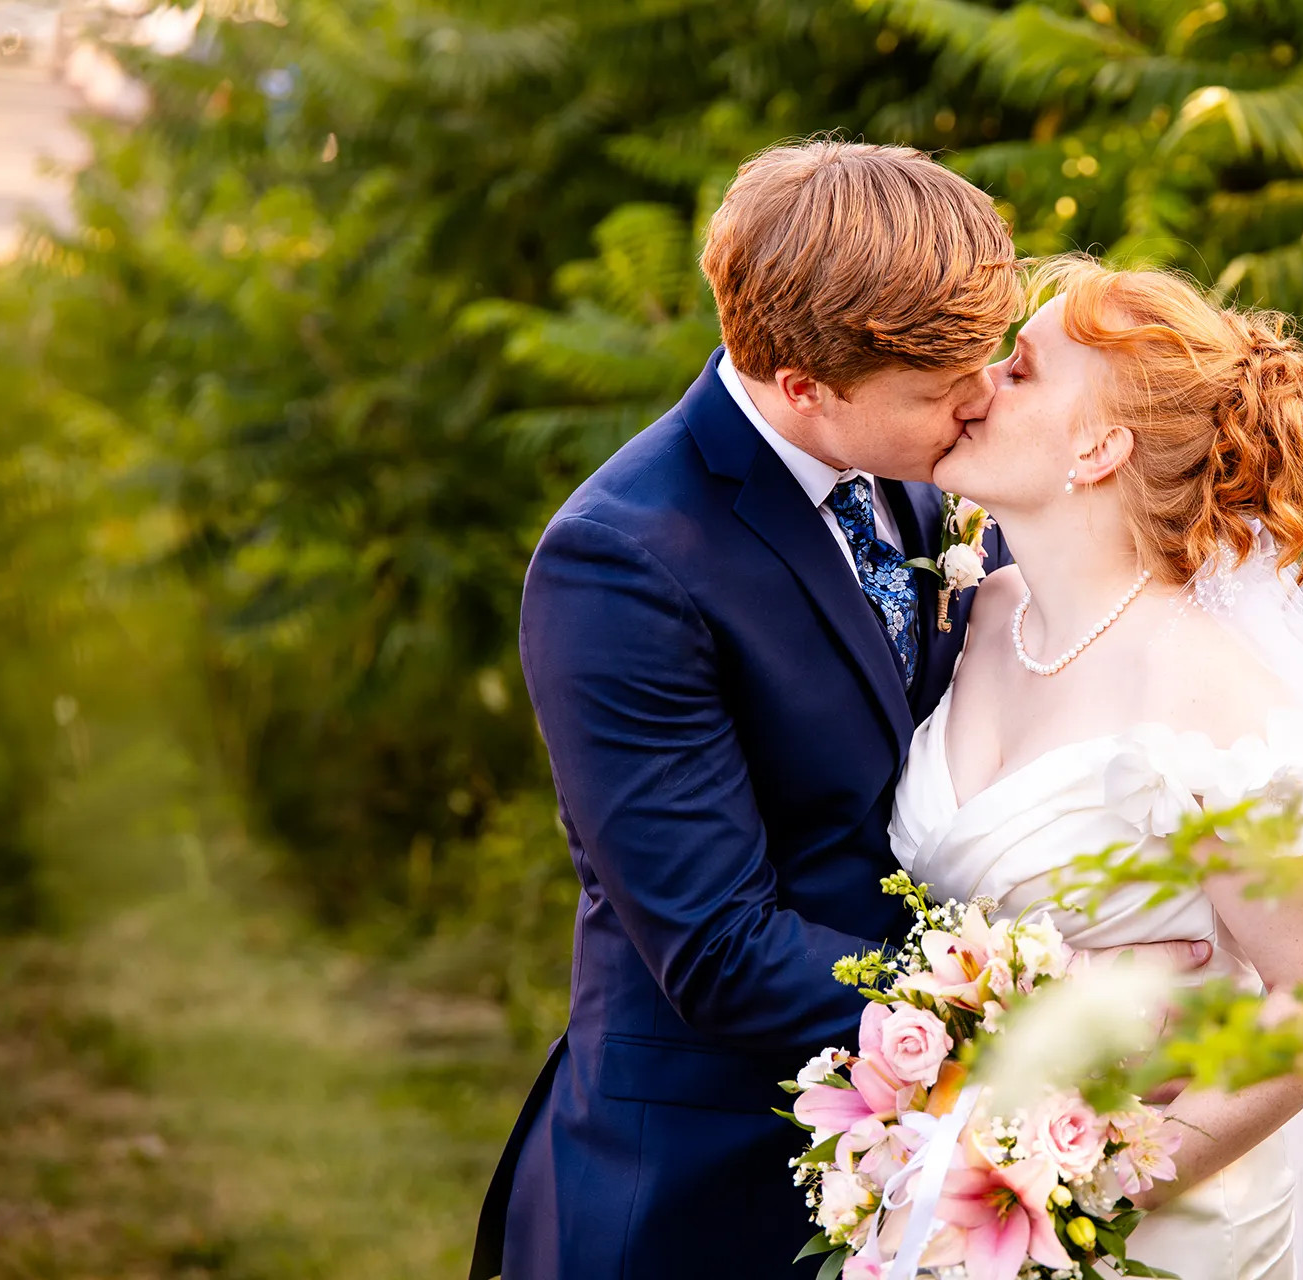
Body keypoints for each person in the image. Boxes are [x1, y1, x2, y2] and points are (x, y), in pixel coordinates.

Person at [467, 144, 1211, 1280]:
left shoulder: (924, 469)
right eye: (939, 390)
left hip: (947, 1173)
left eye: (986, 363)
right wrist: (1051, 1004)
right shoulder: (623, 561)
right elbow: (718, 944)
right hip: (700, 1182)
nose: (979, 406)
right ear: (804, 387)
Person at [888, 255, 1303, 1279]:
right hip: (958, 1193)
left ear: (1099, 445)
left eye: (1023, 369)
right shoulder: (987, 615)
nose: (978, 382)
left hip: (1153, 1229)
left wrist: (1097, 1187)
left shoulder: (1215, 702)